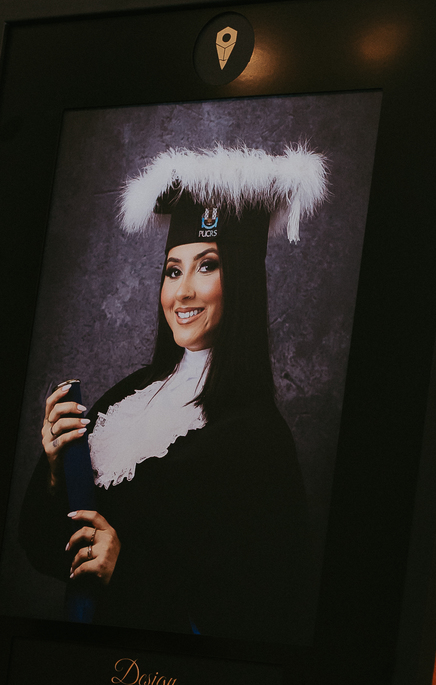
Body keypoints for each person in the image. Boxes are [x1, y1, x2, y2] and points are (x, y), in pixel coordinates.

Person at [19, 143, 327, 643]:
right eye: (173, 270)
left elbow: (262, 607)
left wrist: (125, 568)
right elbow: (40, 545)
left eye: (207, 266)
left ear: (243, 281)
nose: (182, 292)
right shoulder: (128, 396)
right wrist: (58, 471)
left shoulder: (259, 437)